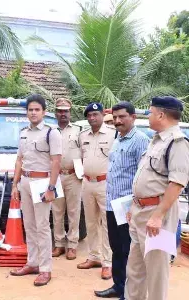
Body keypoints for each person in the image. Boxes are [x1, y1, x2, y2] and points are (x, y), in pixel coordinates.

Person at [125, 96, 189, 300]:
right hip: (139, 212)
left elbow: (177, 183)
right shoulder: (156, 140)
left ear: (161, 114)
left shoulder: (178, 143)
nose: (149, 115)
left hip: (157, 216)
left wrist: (158, 215)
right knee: (134, 271)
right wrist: (133, 206)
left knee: (156, 273)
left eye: (150, 112)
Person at [94, 102, 149, 299]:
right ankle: (118, 286)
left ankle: (129, 292)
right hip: (111, 204)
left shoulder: (141, 140)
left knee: (128, 250)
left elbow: (142, 175)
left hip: (128, 206)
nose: (117, 121)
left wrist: (133, 205)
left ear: (133, 117)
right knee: (116, 248)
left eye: (122, 117)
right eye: (115, 117)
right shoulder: (117, 139)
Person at [9, 94, 62, 286]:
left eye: (37, 109)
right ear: (27, 112)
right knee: (29, 225)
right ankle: (32, 262)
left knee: (42, 227)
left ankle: (45, 269)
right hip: (25, 181)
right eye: (30, 110)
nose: (33, 113)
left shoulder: (51, 132)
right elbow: (19, 160)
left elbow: (56, 162)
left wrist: (51, 188)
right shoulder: (23, 132)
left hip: (42, 182)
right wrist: (15, 184)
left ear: (44, 112)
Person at [78, 102, 116, 280]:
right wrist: (81, 176)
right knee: (91, 222)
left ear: (102, 115)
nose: (92, 118)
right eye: (89, 115)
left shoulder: (112, 134)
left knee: (107, 223)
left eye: (95, 115)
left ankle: (107, 262)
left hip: (105, 183)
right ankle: (94, 256)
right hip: (87, 183)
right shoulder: (83, 135)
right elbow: (80, 158)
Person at [52, 98, 82, 260]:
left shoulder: (79, 131)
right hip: (55, 176)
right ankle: (59, 244)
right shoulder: (50, 131)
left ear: (70, 112)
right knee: (57, 212)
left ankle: (72, 245)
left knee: (73, 212)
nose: (63, 114)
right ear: (55, 113)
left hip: (73, 176)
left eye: (65, 111)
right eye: (60, 111)